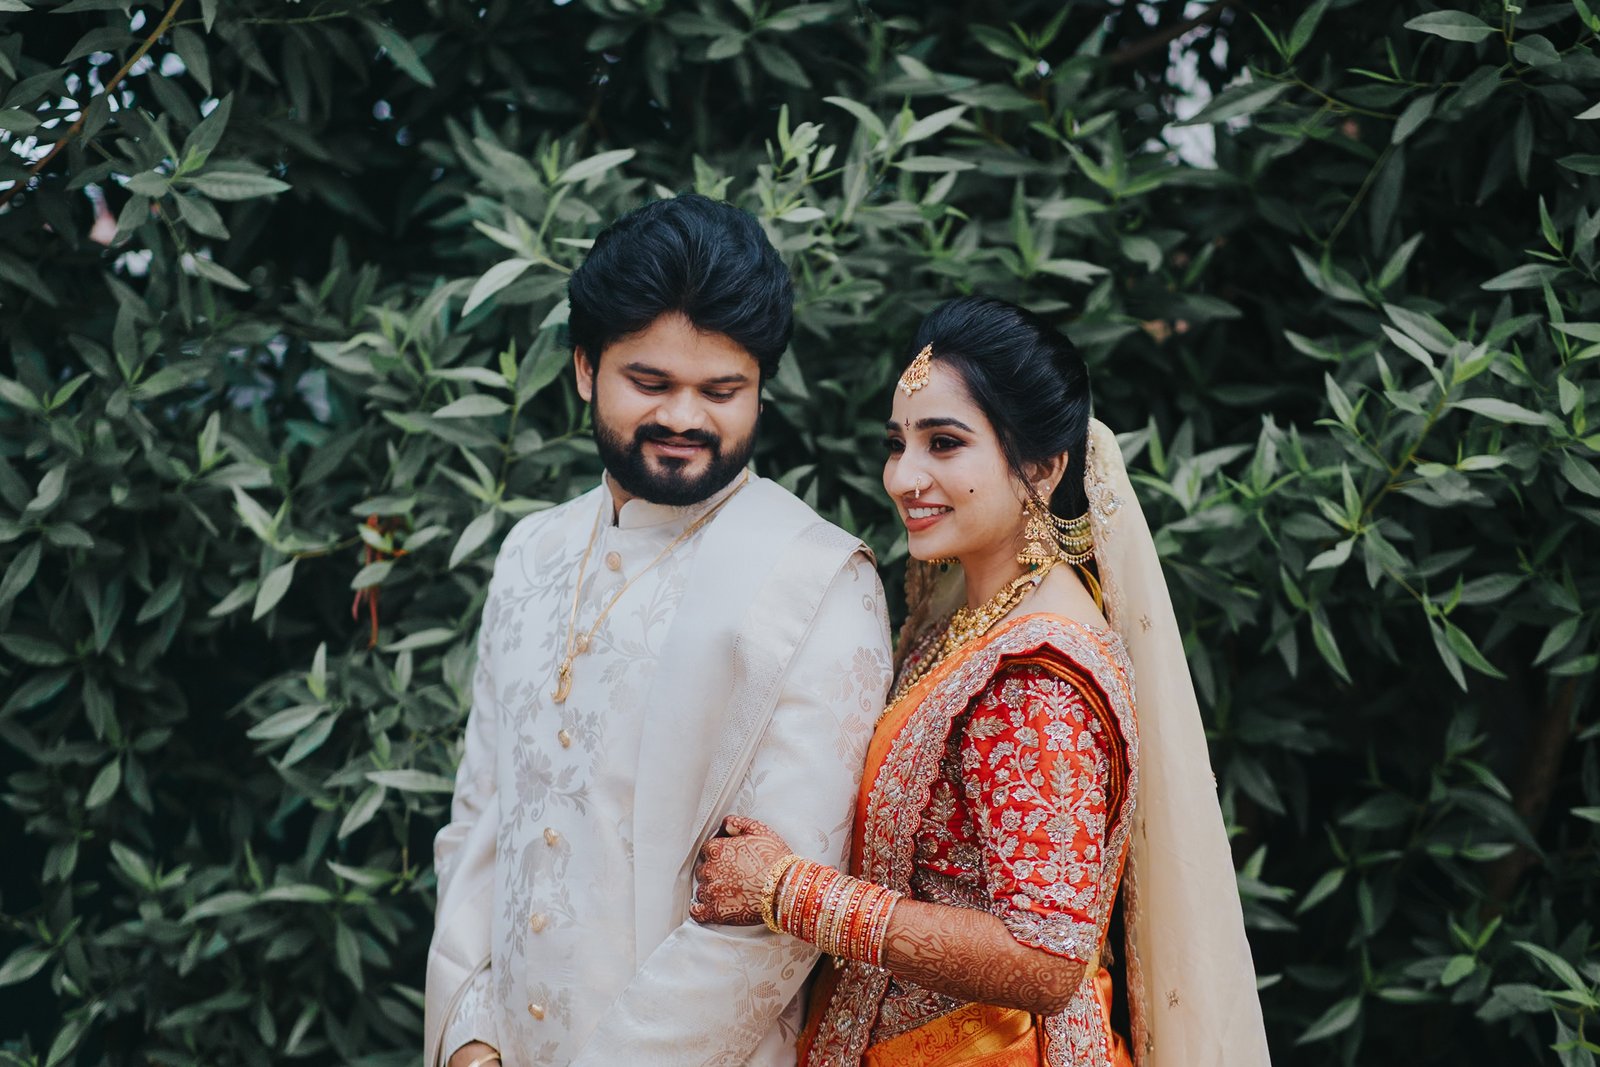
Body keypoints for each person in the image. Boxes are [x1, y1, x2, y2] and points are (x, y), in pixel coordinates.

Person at [692, 296, 1271, 1066]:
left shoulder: (1042, 676)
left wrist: (786, 891)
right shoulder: (970, 613)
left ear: (1044, 465)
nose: (905, 475)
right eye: (897, 443)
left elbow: (1045, 958)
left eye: (944, 442)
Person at [423, 194, 894, 1067]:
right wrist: (469, 1038)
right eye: (650, 383)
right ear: (584, 368)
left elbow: (771, 929)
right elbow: (479, 822)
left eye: (721, 391)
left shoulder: (818, 583)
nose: (685, 417)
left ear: (760, 389)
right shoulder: (531, 553)